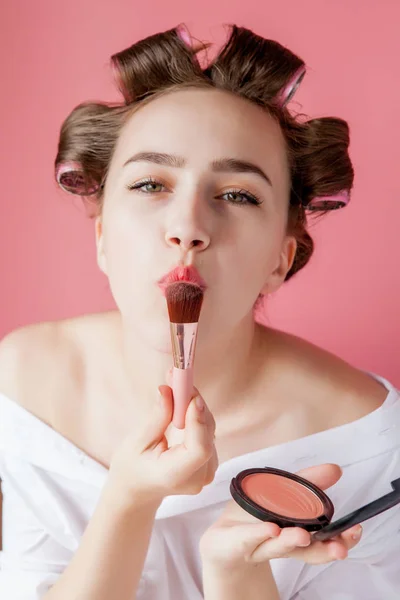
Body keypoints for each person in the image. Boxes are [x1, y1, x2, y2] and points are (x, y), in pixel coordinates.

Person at [0, 22, 399, 600]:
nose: (188, 227)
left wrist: (237, 574)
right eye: (149, 184)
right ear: (103, 236)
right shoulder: (22, 384)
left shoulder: (367, 447)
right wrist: (128, 500)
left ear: (279, 262)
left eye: (237, 195)